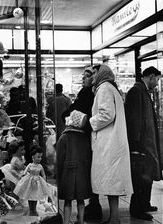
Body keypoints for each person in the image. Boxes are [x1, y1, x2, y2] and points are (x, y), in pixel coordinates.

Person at [89, 64, 133, 224]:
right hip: (114, 142)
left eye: (95, 73)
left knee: (110, 181)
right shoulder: (111, 88)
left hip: (109, 143)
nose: (93, 77)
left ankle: (114, 218)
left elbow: (107, 114)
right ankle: (114, 217)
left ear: (101, 74)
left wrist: (89, 120)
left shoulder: (104, 89)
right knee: (112, 183)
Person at [62, 66, 102, 221]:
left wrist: (70, 116)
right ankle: (92, 204)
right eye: (83, 76)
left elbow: (77, 112)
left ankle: (93, 205)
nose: (84, 79)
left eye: (87, 76)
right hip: (84, 136)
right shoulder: (86, 93)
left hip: (86, 137)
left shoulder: (91, 94)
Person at [124, 66, 162, 221]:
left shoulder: (143, 91)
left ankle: (145, 203)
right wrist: (136, 145)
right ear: (151, 76)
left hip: (146, 143)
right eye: (157, 80)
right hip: (141, 145)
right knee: (140, 178)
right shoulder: (136, 91)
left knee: (147, 176)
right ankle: (137, 208)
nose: (157, 84)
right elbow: (133, 119)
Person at [56, 110, 92, 224]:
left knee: (68, 200)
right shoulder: (84, 137)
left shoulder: (64, 137)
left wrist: (58, 174)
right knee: (81, 200)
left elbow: (60, 158)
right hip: (82, 172)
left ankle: (66, 222)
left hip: (68, 173)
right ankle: (81, 221)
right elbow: (88, 155)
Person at [13, 144, 50, 216]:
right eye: (38, 157)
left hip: (37, 182)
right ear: (33, 157)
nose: (40, 159)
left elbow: (43, 174)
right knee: (30, 196)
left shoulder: (40, 166)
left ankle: (34, 209)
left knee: (35, 196)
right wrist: (22, 176)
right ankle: (31, 209)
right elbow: (25, 172)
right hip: (29, 182)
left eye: (40, 157)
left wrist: (44, 182)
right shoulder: (30, 165)